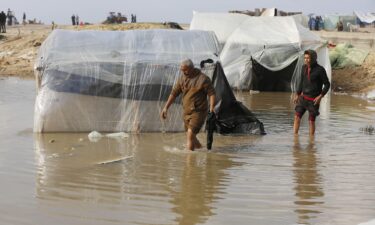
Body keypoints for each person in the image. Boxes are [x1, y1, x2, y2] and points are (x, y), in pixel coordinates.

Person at [161, 59, 216, 151]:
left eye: (185, 70)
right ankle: (202, 150)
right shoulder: (182, 78)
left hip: (199, 112)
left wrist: (212, 108)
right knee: (191, 136)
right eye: (182, 70)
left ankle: (189, 161)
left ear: (192, 68)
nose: (183, 72)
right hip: (187, 112)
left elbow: (212, 94)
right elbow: (174, 93)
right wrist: (166, 107)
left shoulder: (203, 79)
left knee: (190, 134)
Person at [293, 50, 330, 136]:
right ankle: (295, 139)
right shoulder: (303, 68)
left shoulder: (320, 70)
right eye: (305, 58)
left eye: (308, 58)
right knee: (296, 117)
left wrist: (320, 96)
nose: (306, 60)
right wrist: (297, 94)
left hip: (314, 101)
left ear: (313, 58)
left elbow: (327, 84)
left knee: (311, 121)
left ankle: (311, 142)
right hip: (303, 98)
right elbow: (301, 81)